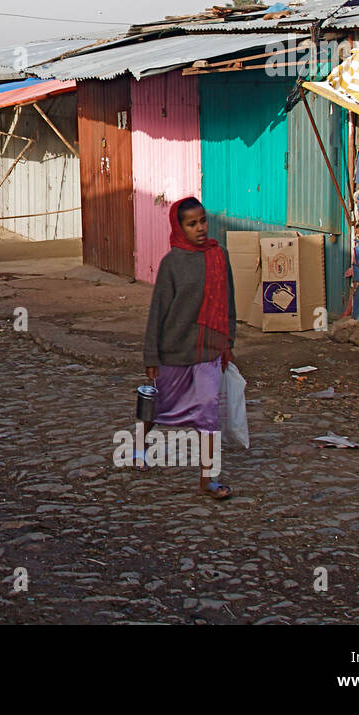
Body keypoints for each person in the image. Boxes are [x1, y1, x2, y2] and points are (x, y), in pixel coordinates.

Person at [142, 196, 237, 500]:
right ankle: (141, 446)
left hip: (208, 351)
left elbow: (229, 305)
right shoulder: (172, 262)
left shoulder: (219, 256)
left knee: (208, 410)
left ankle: (207, 478)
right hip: (174, 350)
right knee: (159, 407)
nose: (200, 228)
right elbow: (157, 310)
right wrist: (151, 355)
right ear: (179, 227)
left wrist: (228, 344)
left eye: (203, 221)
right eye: (192, 224)